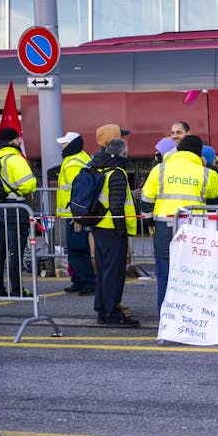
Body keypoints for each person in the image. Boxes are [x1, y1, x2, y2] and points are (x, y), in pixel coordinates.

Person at [140, 134, 218, 313]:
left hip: (164, 227)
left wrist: (149, 222)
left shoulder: (160, 169)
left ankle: (166, 318)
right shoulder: (206, 172)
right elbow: (217, 194)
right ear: (198, 153)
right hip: (195, 230)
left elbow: (146, 198)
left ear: (178, 150)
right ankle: (190, 316)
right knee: (192, 275)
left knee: (165, 274)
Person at [90, 139, 139, 328]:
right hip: (112, 228)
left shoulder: (99, 168)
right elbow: (117, 205)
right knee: (114, 273)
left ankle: (102, 310)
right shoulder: (117, 173)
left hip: (99, 226)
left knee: (103, 271)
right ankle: (112, 313)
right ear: (123, 154)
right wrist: (121, 230)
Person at [0, 127, 36, 297]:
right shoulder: (15, 159)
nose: (20, 141)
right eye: (17, 139)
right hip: (16, 207)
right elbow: (28, 185)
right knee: (15, 251)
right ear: (10, 141)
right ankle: (16, 289)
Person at [54, 131, 96, 296]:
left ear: (72, 145)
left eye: (64, 144)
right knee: (78, 248)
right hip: (76, 214)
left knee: (77, 248)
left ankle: (87, 282)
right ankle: (79, 281)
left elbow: (77, 192)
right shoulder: (81, 158)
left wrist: (77, 216)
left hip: (74, 215)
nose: (62, 146)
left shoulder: (72, 163)